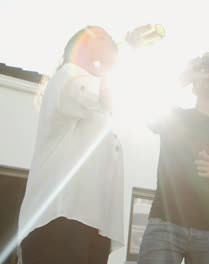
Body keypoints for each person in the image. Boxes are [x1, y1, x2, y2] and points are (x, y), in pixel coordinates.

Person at [18, 26, 124, 264]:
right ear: (85, 43)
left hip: (93, 227)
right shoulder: (67, 76)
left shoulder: (100, 110)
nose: (111, 43)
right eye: (104, 37)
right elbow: (100, 95)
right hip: (59, 221)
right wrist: (125, 50)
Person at [138, 53, 209, 264]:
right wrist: (187, 75)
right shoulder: (174, 116)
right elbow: (147, 104)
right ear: (193, 86)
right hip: (165, 225)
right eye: (206, 74)